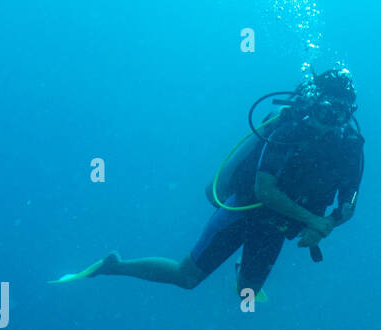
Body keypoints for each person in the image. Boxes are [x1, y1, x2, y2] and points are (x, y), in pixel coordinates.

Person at [52, 69, 364, 301]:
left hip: (279, 226)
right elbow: (263, 190)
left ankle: (245, 273)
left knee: (248, 294)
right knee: (186, 277)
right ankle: (113, 266)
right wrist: (313, 221)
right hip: (246, 208)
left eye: (340, 112)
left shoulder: (351, 146)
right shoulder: (287, 132)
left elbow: (348, 203)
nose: (330, 120)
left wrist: (327, 223)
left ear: (349, 114)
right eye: (326, 109)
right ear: (312, 103)